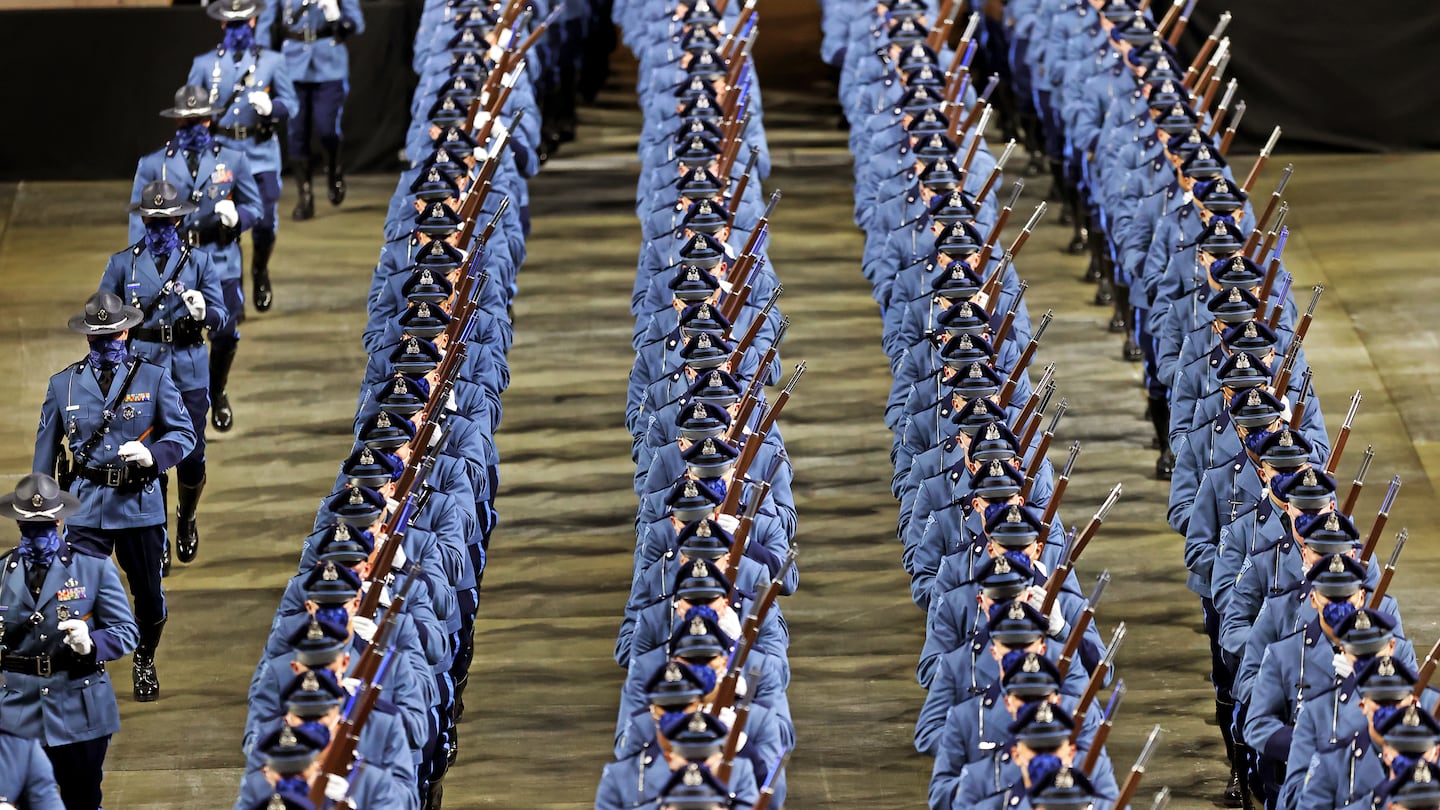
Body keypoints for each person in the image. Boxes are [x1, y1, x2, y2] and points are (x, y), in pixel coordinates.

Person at [31, 292, 196, 702]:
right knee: (75, 593)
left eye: (112, 336)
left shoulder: (153, 378)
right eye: (96, 337)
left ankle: (144, 656)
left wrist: (153, 456)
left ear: (126, 332)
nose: (105, 344)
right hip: (86, 506)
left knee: (149, 595)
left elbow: (185, 435)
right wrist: (43, 514)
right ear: (87, 338)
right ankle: (89, 660)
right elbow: (44, 458)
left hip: (139, 506)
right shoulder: (62, 385)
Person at [100, 180, 227, 571]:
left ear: (177, 223)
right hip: (143, 372)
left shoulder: (199, 263)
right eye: (151, 224)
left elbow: (222, 321)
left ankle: (186, 515)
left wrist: (204, 310)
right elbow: (102, 323)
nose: (157, 232)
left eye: (164, 224)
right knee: (148, 455)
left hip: (187, 369)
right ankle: (159, 535)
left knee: (192, 457)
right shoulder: (123, 264)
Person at [0, 473, 138, 809]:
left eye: (46, 525)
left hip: (78, 709)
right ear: (18, 522)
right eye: (29, 528)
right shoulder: (2, 572)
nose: (38, 535)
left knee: (83, 800)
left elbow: (126, 631)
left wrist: (90, 643)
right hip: (17, 712)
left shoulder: (93, 568)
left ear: (61, 520)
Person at [128, 84, 261, 435]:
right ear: (176, 124)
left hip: (219, 259)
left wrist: (238, 219)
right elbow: (135, 227)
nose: (193, 127)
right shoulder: (154, 165)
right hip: (172, 262)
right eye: (186, 121)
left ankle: (218, 390)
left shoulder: (232, 159)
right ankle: (181, 401)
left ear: (209, 120)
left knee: (227, 332)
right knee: (171, 335)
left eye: (199, 119)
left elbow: (255, 207)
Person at [189, 0, 298, 312]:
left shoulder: (272, 61)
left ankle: (260, 269)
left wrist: (272, 109)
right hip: (222, 152)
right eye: (231, 23)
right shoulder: (204, 64)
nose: (237, 29)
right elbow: (190, 111)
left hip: (260, 152)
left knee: (264, 221)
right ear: (223, 25)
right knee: (225, 222)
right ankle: (231, 292)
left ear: (253, 23)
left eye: (243, 22)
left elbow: (292, 104)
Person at [257, 0, 365, 221]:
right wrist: (263, 62)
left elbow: (357, 23)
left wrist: (339, 19)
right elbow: (266, 24)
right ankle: (305, 196)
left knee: (327, 127)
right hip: (292, 63)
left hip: (330, 61)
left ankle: (334, 169)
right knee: (297, 132)